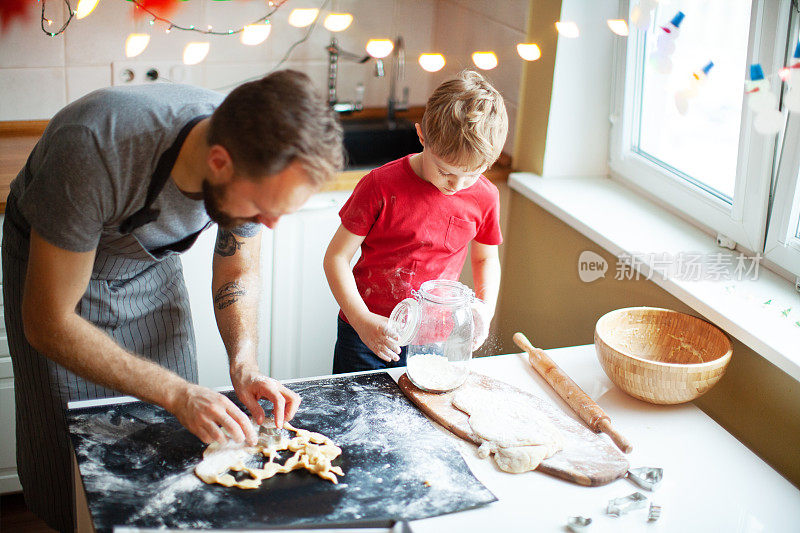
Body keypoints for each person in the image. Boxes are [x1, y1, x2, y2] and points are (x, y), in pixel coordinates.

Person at [2, 69, 343, 532]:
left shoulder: (257, 152)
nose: (271, 223)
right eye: (264, 208)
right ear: (219, 162)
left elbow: (237, 267)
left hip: (149, 262)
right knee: (78, 458)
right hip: (58, 277)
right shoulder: (93, 150)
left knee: (169, 442)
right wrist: (176, 392)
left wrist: (243, 363)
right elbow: (48, 322)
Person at [323, 69, 507, 373]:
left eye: (472, 174)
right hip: (369, 333)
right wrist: (361, 319)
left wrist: (485, 312)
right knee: (356, 418)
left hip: (434, 340)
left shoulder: (485, 196)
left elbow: (486, 258)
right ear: (421, 136)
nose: (456, 186)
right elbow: (336, 258)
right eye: (446, 171)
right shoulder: (380, 185)